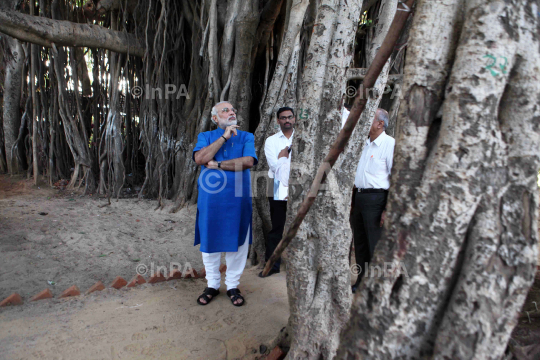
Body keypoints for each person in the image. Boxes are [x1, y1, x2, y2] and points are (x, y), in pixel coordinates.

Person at [193, 101, 258, 306]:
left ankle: (232, 285)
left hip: (238, 198)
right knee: (210, 239)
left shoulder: (247, 136)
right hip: (211, 198)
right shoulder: (206, 137)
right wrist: (224, 137)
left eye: (233, 110)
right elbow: (200, 158)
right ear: (215, 118)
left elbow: (247, 162)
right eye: (226, 110)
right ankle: (212, 284)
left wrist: (218, 164)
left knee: (237, 242)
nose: (232, 113)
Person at [350, 108, 395, 293]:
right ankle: (362, 281)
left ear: (380, 124)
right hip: (359, 198)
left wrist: (387, 209)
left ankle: (377, 286)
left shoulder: (390, 144)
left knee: (374, 245)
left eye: (370, 118)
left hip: (377, 200)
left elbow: (395, 178)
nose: (365, 121)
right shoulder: (364, 144)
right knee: (359, 243)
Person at [261, 107, 295, 277]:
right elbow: (274, 166)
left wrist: (284, 161)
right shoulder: (271, 141)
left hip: (300, 184)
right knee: (277, 226)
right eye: (283, 118)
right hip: (276, 184)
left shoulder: (302, 139)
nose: (287, 120)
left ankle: (298, 266)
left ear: (294, 119)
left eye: (289, 117)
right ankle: (272, 266)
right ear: (278, 121)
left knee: (301, 225)